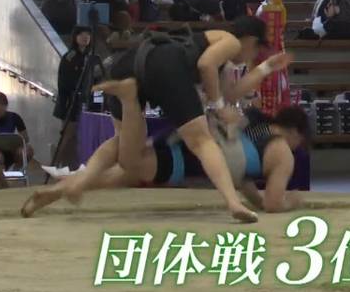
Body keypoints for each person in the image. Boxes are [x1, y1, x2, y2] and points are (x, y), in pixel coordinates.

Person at [76, 16, 277, 223]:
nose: (252, 57)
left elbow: (229, 94)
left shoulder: (222, 62)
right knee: (202, 141)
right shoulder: (230, 42)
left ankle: (75, 182)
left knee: (125, 152)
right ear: (251, 41)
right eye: (256, 51)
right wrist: (218, 107)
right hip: (168, 62)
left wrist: (265, 68)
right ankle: (233, 203)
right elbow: (206, 64)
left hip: (137, 62)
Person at [22, 102, 306, 219]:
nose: (298, 148)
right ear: (295, 131)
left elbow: (242, 177)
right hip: (181, 160)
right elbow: (272, 203)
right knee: (123, 164)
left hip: (181, 142)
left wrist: (256, 201)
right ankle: (63, 188)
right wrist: (290, 203)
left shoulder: (253, 121)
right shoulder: (282, 152)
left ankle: (58, 190)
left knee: (121, 172)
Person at [52, 26, 101, 170]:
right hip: (71, 103)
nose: (85, 37)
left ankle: (72, 168)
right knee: (67, 137)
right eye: (82, 35)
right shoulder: (70, 57)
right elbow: (64, 83)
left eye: (88, 35)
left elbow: (98, 80)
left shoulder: (93, 58)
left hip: (88, 104)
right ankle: (56, 166)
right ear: (75, 37)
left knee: (79, 139)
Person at [0, 90, 34, 170]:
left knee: (28, 150)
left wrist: (21, 147)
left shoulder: (14, 117)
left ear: (6, 106)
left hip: (12, 150)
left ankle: (15, 169)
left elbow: (25, 139)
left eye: (2, 104)